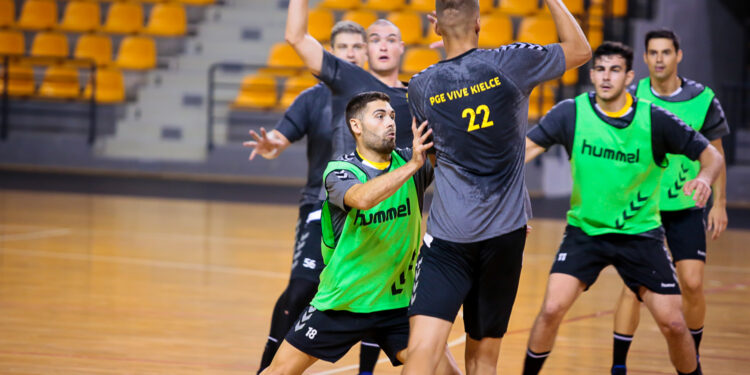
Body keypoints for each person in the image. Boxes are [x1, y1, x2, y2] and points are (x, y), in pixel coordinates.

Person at [401, 1, 591, 374]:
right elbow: (580, 50)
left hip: (448, 236)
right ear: (478, 24)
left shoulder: (421, 86)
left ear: (435, 28)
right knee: (483, 359)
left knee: (422, 349)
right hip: (504, 232)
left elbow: (434, 157)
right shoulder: (509, 63)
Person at [522, 41, 724, 375]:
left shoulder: (654, 119)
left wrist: (704, 179)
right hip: (585, 231)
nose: (605, 77)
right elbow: (521, 154)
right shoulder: (571, 112)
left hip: (640, 235)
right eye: (600, 69)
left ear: (629, 76)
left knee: (674, 324)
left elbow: (712, 156)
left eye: (614, 69)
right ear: (591, 74)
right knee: (552, 308)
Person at [260, 92, 460, 375]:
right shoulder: (340, 171)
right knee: (278, 372)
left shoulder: (410, 161)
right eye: (380, 116)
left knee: (446, 372)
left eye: (392, 116)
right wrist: (415, 165)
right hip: (343, 301)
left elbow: (462, 169)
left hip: (397, 304)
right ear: (356, 126)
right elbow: (362, 199)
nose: (390, 122)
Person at [243, 21, 381, 374]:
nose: (351, 53)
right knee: (302, 287)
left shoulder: (380, 100)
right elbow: (279, 137)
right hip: (320, 205)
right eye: (343, 48)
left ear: (366, 52)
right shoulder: (312, 99)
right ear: (331, 54)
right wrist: (272, 144)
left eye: (357, 47)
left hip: (370, 209)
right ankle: (267, 368)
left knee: (376, 297)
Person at [610, 29, 731, 375]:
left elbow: (716, 154)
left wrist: (719, 203)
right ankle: (618, 366)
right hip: (643, 210)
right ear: (645, 59)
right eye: (652, 53)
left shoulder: (703, 99)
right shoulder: (632, 98)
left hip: (686, 208)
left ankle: (691, 359)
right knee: (633, 288)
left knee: (692, 284)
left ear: (679, 55)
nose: (659, 59)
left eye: (666, 52)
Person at [285, 0, 412, 157]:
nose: (383, 47)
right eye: (375, 40)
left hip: (404, 181)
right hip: (352, 181)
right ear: (365, 49)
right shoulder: (349, 77)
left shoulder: (417, 95)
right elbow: (296, 38)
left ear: (401, 47)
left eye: (391, 40)